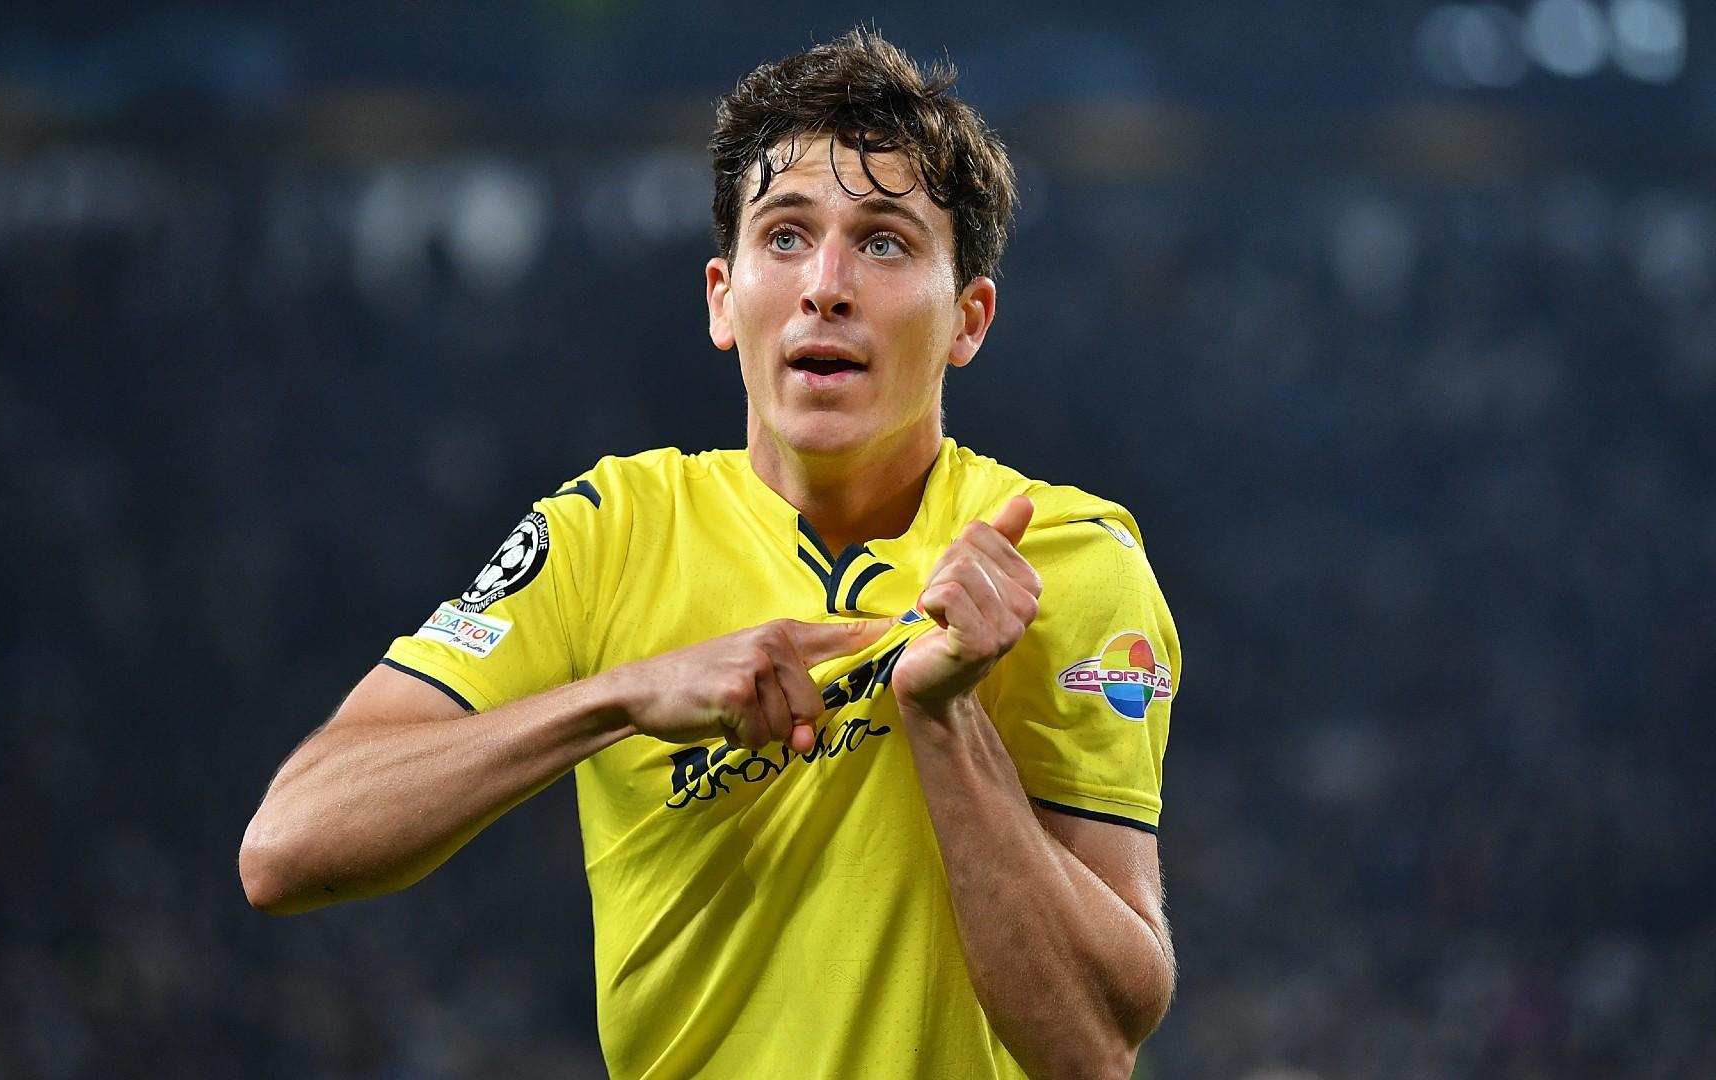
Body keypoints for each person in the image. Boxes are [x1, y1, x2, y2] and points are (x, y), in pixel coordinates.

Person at [241, 27, 1180, 1080]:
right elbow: (288, 846)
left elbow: (1093, 1049)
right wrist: (620, 696)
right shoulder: (607, 532)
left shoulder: (1062, 560)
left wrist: (946, 719)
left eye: (884, 244)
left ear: (969, 318)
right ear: (723, 300)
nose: (826, 285)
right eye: (786, 236)